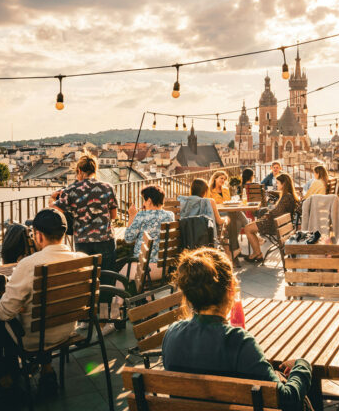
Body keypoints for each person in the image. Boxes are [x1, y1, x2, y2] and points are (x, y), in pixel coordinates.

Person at [162, 247, 319, 410]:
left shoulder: (172, 334)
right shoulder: (238, 341)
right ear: (231, 288)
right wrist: (302, 366)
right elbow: (287, 399)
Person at [0, 209, 85, 403]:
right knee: (36, 316)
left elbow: (4, 313)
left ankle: (8, 386)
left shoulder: (30, 264)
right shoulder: (81, 258)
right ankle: (47, 373)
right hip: (67, 330)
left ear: (38, 235)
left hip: (35, 339)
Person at [52, 151, 118, 313]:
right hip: (105, 240)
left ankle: (87, 314)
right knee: (106, 277)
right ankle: (104, 314)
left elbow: (54, 211)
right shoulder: (107, 188)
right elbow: (114, 215)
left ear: (79, 172)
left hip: (82, 242)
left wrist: (54, 198)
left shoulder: (71, 190)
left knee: (85, 279)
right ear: (95, 170)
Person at [124, 185, 175, 288]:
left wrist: (132, 216)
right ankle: (146, 299)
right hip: (164, 267)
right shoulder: (170, 215)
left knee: (122, 273)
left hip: (146, 268)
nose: (143, 203)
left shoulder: (141, 216)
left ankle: (117, 303)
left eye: (144, 200)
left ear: (149, 201)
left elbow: (128, 239)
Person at [243, 173, 298, 261]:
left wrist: (267, 213)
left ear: (283, 184)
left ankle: (257, 254)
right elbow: (279, 211)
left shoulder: (286, 197)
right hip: (280, 224)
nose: (276, 184)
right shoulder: (288, 195)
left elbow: (276, 212)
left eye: (278, 183)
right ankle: (257, 253)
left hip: (275, 225)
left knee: (247, 229)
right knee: (249, 227)